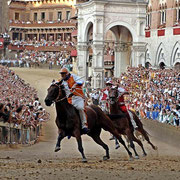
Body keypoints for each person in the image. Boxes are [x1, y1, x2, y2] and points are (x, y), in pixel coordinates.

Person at [59, 67, 90, 134]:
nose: (62, 75)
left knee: (80, 108)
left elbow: (81, 81)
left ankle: (84, 125)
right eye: (61, 74)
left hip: (77, 98)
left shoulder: (74, 77)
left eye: (63, 74)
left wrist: (75, 84)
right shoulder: (62, 81)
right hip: (69, 99)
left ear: (67, 74)